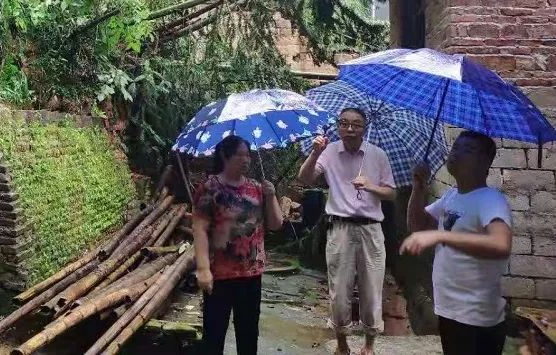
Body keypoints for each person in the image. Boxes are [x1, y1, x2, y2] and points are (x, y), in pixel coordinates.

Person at [401, 131, 512, 355]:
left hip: (476, 317)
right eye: (455, 148)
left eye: (467, 150)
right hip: (450, 309)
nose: (456, 154)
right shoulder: (452, 196)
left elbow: (501, 245)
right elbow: (418, 226)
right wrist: (418, 187)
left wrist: (441, 236)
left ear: (485, 162)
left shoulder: (491, 200)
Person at [298, 108, 396, 355]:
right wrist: (315, 152)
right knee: (339, 291)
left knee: (372, 290)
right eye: (344, 124)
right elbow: (306, 178)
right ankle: (342, 343)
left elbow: (391, 193)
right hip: (340, 228)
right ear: (338, 127)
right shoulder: (329, 152)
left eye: (356, 125)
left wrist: (371, 186)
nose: (350, 129)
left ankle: (369, 344)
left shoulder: (378, 155)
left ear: (364, 128)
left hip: (371, 230)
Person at [192, 135, 284, 354]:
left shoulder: (256, 188)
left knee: (248, 334)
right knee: (214, 335)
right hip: (220, 275)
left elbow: (276, 224)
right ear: (225, 156)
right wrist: (203, 269)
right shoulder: (210, 188)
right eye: (240, 155)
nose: (246, 160)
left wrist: (271, 197)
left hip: (251, 274)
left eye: (248, 155)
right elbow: (200, 229)